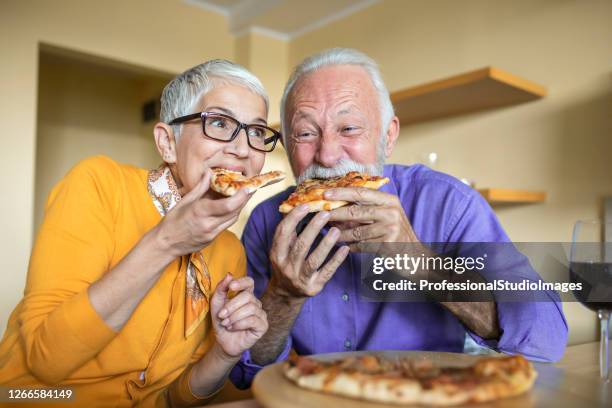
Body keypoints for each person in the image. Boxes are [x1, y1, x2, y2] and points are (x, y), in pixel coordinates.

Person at [229, 48, 568, 388]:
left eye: (348, 128)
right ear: (287, 145)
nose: (328, 155)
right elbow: (247, 371)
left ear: (388, 136)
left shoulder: (449, 205)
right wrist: (284, 297)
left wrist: (420, 262)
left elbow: (545, 339)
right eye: (305, 133)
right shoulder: (265, 221)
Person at [0, 60, 280, 406]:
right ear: (167, 143)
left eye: (256, 131)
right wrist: (164, 243)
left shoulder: (228, 250)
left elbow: (171, 400)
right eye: (219, 123)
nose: (243, 149)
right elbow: (47, 359)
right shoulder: (99, 184)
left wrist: (224, 354)